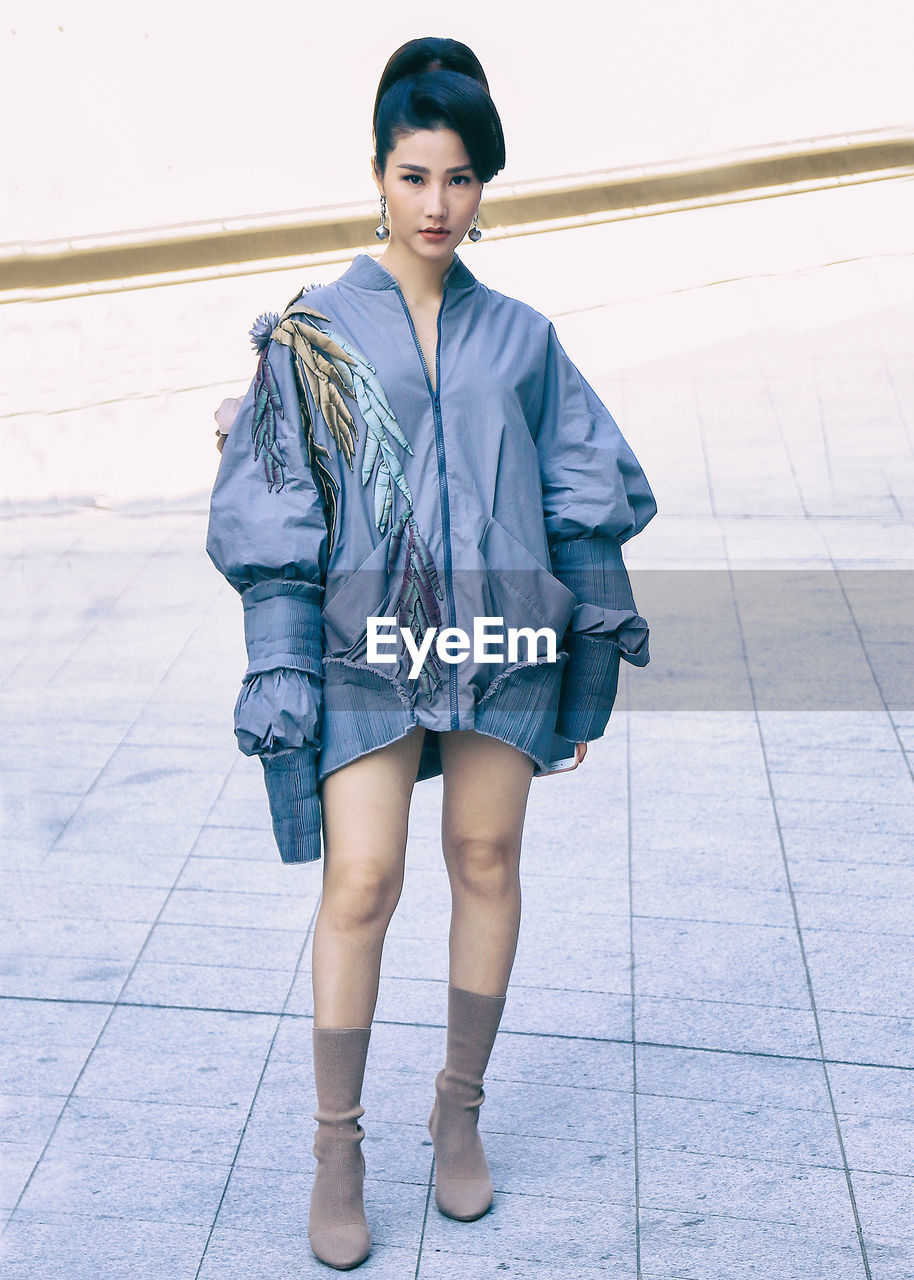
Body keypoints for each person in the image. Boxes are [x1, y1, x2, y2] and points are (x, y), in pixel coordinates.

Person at [207, 35, 656, 1272]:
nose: (437, 205)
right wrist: (281, 655)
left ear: (483, 187)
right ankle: (335, 1143)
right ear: (376, 175)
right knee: (361, 878)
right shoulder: (311, 331)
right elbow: (274, 502)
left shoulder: (523, 336)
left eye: (459, 179)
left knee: (485, 854)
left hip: (502, 631)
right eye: (414, 177)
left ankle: (457, 1105)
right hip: (369, 632)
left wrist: (587, 646)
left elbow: (578, 490)